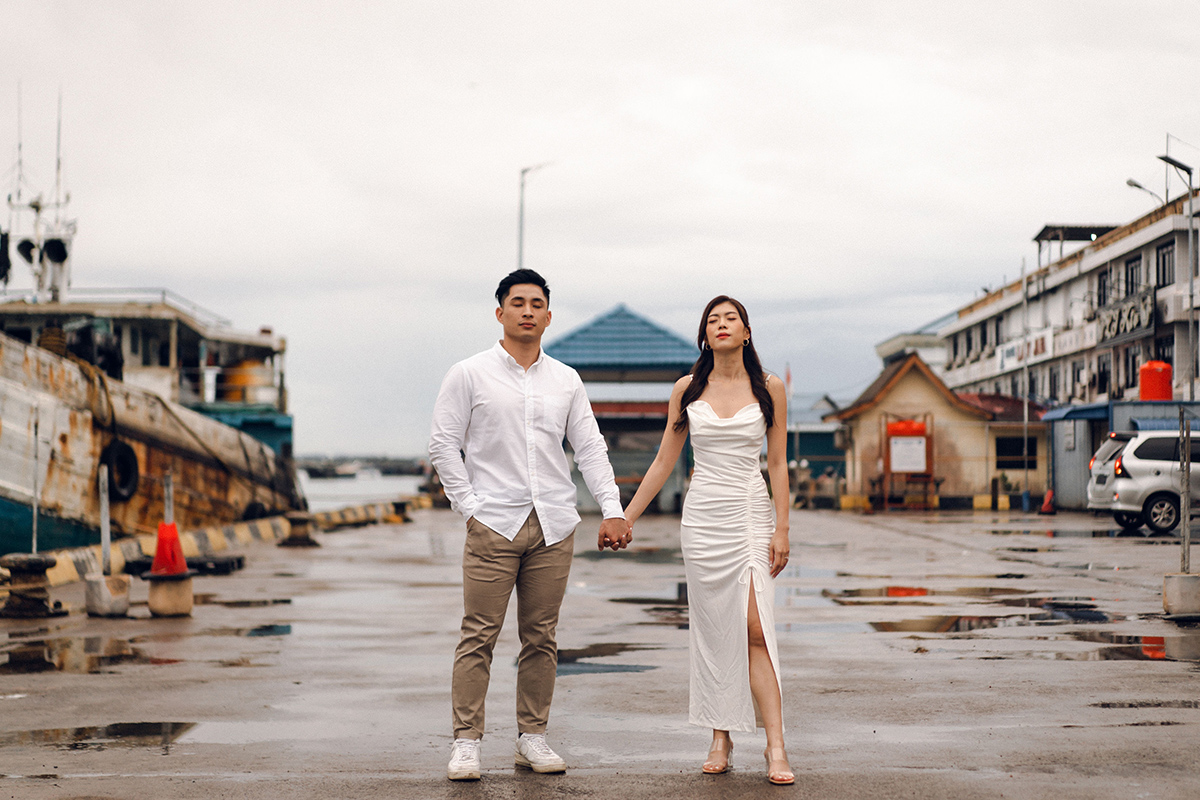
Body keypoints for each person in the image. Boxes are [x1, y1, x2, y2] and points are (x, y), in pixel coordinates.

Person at [429, 269, 631, 782]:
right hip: (493, 523)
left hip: (554, 524)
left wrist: (612, 508)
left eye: (535, 303)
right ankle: (466, 743)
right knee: (479, 634)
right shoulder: (469, 373)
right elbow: (442, 445)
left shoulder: (566, 379)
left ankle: (531, 738)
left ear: (547, 315)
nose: (526, 310)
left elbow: (589, 448)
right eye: (516, 302)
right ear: (499, 313)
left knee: (541, 636)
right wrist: (470, 508)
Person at [623, 295, 794, 786]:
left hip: (748, 513)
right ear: (705, 335)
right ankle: (720, 736)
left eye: (731, 319)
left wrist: (782, 528)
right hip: (702, 519)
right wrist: (626, 517)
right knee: (716, 629)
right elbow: (663, 461)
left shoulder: (769, 387)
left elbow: (778, 463)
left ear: (746, 332)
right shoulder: (686, 389)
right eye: (713, 320)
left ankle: (775, 746)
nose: (722, 325)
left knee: (755, 627)